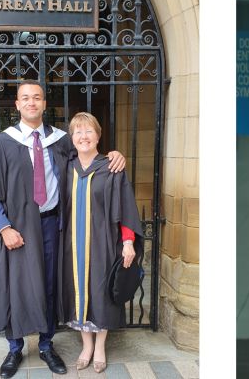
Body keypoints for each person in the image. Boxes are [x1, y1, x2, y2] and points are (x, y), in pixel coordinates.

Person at [0, 80, 126, 378]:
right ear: (18, 105)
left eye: (37, 97)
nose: (31, 102)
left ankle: (47, 346)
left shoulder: (61, 141)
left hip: (52, 226)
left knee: (48, 285)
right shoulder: (0, 143)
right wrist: (4, 228)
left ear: (45, 104)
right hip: (18, 228)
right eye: (25, 98)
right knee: (15, 286)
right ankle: (14, 348)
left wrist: (115, 155)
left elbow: (88, 162)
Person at [57, 112, 144, 373]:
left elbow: (126, 207)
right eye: (78, 132)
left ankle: (101, 346)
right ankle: (86, 345)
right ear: (71, 138)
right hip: (72, 244)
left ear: (98, 135)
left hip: (104, 242)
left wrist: (128, 242)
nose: (84, 137)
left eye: (89, 131)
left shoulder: (112, 167)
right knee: (78, 291)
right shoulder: (65, 167)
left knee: (101, 292)